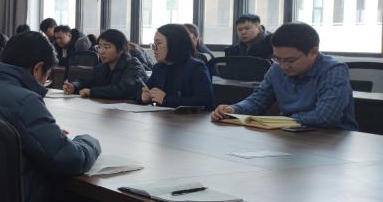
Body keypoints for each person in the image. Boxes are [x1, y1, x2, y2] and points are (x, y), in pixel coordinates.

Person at [0, 31, 100, 202]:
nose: (45, 82)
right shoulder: (25, 101)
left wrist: (49, 134)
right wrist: (89, 142)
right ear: (38, 68)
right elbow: (69, 159)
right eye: (46, 76)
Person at [212, 22, 358, 130]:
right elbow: (258, 101)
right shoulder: (277, 68)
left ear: (313, 52)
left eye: (290, 60)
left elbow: (325, 117)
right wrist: (233, 110)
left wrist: (283, 120)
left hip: (331, 139)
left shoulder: (333, 70)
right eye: (277, 59)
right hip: (290, 132)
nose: (283, 66)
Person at [141, 23, 214, 110]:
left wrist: (166, 99)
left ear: (174, 44)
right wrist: (144, 97)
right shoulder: (159, 67)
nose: (154, 48)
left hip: (189, 118)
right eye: (153, 44)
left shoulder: (196, 68)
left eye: (158, 43)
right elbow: (147, 90)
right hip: (162, 116)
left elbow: (205, 101)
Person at [64, 29, 146, 100]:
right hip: (110, 108)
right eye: (99, 47)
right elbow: (86, 80)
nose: (101, 51)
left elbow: (122, 90)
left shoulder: (134, 65)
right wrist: (74, 86)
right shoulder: (102, 66)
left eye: (107, 47)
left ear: (121, 49)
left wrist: (92, 92)